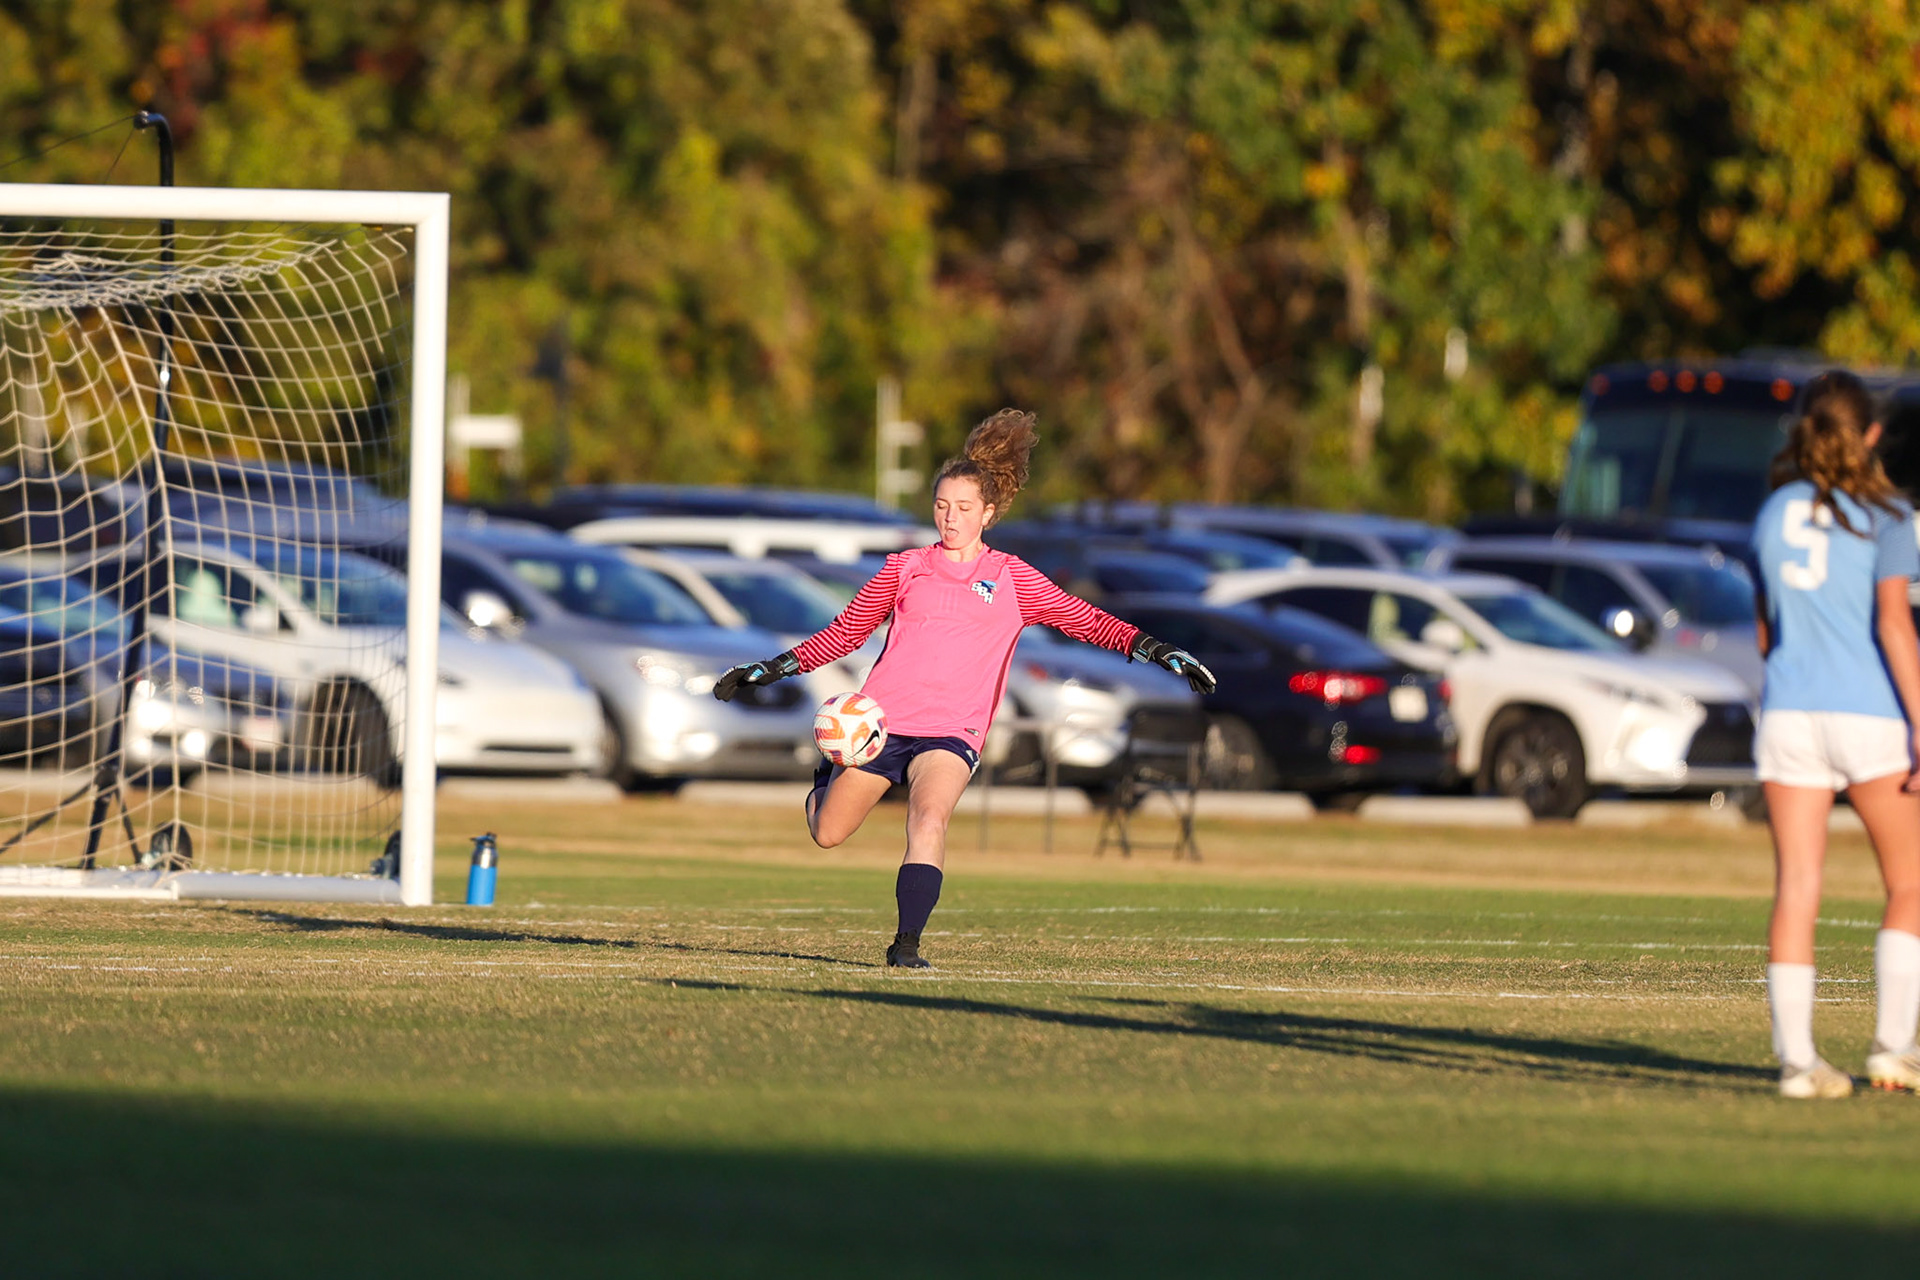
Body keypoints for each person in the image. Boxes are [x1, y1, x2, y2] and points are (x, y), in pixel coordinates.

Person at [712, 409, 1215, 968]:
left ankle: (906, 946)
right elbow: (845, 633)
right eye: (942, 506)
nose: (950, 518)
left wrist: (1158, 650)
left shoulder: (1013, 579)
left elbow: (1086, 621)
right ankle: (823, 785)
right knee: (827, 833)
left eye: (964, 509)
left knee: (929, 819)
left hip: (952, 731)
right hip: (877, 729)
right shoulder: (904, 568)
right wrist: (770, 668)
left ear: (989, 513)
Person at [1752, 370, 1920, 1098]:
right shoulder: (1886, 515)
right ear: (1872, 434)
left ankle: (1799, 1064)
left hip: (1788, 710)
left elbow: (1766, 632)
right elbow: (1893, 625)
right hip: (1868, 712)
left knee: (1797, 888)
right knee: (1912, 883)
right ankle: (1891, 1049)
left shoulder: (1771, 512)